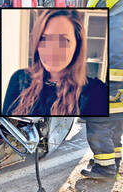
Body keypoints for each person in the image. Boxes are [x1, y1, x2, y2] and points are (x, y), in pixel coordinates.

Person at [2, 9, 108, 116]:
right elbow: (3, 129)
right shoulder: (19, 79)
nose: (52, 50)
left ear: (78, 45)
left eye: (63, 40)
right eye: (44, 38)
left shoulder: (97, 92)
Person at [81, 0, 123, 180]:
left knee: (97, 122)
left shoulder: (114, 16)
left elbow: (113, 53)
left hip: (109, 80)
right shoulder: (116, 10)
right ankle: (113, 161)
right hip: (115, 82)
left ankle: (104, 168)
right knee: (114, 122)